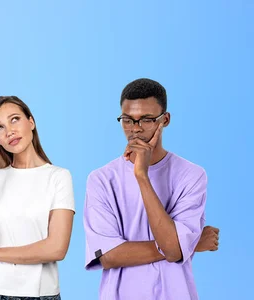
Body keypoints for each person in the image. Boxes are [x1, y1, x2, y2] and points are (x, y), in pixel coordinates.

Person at [83, 78, 220, 300]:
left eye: (146, 120)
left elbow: (174, 250)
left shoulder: (192, 175)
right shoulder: (101, 179)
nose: (135, 129)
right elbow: (108, 255)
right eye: (128, 120)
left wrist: (141, 176)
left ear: (164, 120)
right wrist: (189, 245)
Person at [0, 96, 74, 300]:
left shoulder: (58, 177)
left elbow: (57, 248)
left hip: (40, 294)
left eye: (14, 119)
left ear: (31, 122)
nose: (9, 131)